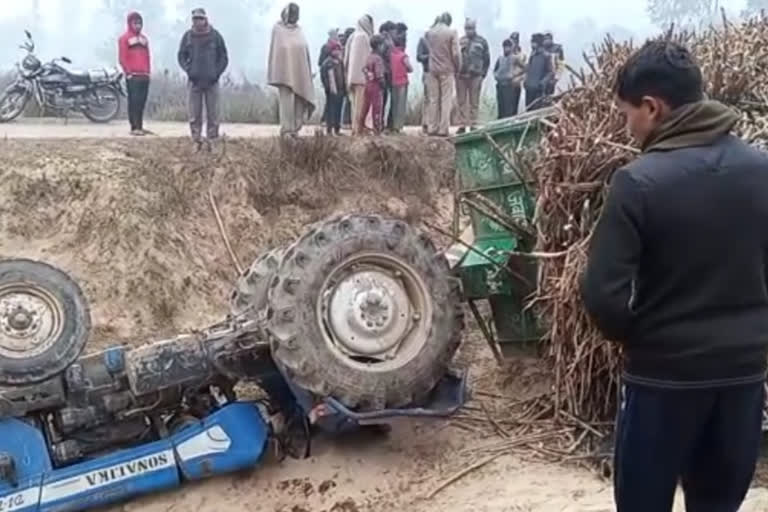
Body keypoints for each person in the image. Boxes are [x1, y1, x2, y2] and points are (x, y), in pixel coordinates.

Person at [581, 40, 768, 512]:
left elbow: (602, 294)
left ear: (653, 107)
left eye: (629, 113)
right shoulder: (761, 170)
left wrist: (642, 338)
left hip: (663, 381)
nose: (629, 126)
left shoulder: (638, 182)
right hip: (743, 376)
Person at [177, 8, 228, 148]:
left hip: (212, 81)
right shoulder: (187, 36)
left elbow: (223, 57)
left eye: (200, 18)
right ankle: (196, 140)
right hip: (194, 81)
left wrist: (217, 73)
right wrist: (188, 70)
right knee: (194, 114)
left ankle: (212, 140)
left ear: (205, 19)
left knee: (214, 114)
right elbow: (181, 56)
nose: (198, 21)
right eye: (195, 19)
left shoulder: (216, 36)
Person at [267, 3, 316, 138]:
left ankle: (295, 128)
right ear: (287, 14)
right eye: (293, 14)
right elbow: (278, 50)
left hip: (299, 74)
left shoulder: (299, 31)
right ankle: (286, 129)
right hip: (284, 73)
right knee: (286, 102)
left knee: (299, 101)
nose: (296, 17)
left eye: (297, 14)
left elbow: (304, 52)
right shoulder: (278, 29)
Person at [425, 13, 461, 137]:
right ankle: (443, 129)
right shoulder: (451, 33)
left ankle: (432, 127)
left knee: (433, 99)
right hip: (447, 69)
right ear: (449, 21)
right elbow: (456, 54)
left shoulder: (430, 32)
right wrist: (458, 67)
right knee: (446, 100)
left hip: (432, 69)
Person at [118, 11, 151, 136]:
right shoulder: (124, 39)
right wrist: (128, 72)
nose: (138, 25)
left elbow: (148, 56)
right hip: (133, 76)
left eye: (140, 23)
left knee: (142, 102)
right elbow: (122, 57)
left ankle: (140, 126)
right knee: (134, 101)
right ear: (130, 23)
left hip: (144, 75)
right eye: (135, 23)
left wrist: (148, 72)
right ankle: (134, 127)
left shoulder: (144, 39)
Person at [456, 18, 490, 134]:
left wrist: (483, 74)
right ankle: (462, 124)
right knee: (461, 101)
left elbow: (486, 59)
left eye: (470, 28)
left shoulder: (482, 42)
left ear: (475, 28)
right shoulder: (460, 41)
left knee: (474, 102)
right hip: (461, 76)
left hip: (475, 76)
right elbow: (456, 57)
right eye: (466, 28)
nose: (468, 31)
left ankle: (473, 124)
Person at [345, 15, 374, 135]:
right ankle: (359, 129)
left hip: (352, 76)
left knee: (355, 105)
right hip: (362, 77)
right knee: (361, 105)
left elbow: (345, 58)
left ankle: (355, 127)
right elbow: (368, 58)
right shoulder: (365, 37)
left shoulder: (352, 36)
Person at [359, 35, 386, 135]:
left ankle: (360, 127)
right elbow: (379, 74)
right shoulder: (378, 59)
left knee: (365, 107)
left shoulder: (369, 57)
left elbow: (364, 69)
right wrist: (383, 84)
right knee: (377, 108)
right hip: (376, 86)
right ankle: (377, 129)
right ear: (379, 46)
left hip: (368, 84)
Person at [494, 36, 526, 118]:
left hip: (510, 86)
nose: (506, 49)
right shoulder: (500, 58)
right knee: (501, 108)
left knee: (509, 109)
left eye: (508, 47)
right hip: (500, 85)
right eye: (505, 47)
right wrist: (496, 75)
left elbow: (525, 69)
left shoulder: (515, 58)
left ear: (511, 48)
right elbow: (495, 69)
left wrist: (515, 76)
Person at [416, 19, 438, 134]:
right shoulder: (423, 41)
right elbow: (419, 57)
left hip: (438, 72)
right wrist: (430, 56)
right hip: (428, 72)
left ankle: (434, 123)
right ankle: (426, 123)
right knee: (428, 99)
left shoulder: (438, 41)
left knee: (436, 99)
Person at [320, 40, 345, 135]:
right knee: (331, 110)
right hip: (331, 91)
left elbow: (343, 75)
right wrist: (328, 88)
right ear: (331, 51)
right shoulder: (327, 63)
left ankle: (337, 129)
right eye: (335, 49)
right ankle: (329, 129)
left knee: (338, 110)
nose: (338, 52)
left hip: (340, 90)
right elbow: (325, 77)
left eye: (339, 49)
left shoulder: (340, 62)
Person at [389, 37, 413, 134]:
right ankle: (399, 127)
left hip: (393, 82)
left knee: (394, 105)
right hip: (402, 82)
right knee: (401, 105)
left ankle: (394, 126)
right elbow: (410, 68)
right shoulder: (403, 56)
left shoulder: (391, 55)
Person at [523, 33, 552, 111]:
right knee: (528, 110)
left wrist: (542, 83)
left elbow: (550, 72)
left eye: (533, 42)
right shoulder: (532, 55)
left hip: (538, 90)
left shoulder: (546, 56)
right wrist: (525, 80)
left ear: (538, 43)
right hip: (529, 88)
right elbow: (528, 69)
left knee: (536, 110)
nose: (531, 44)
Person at [318, 28, 339, 125]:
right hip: (328, 76)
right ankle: (326, 120)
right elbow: (321, 62)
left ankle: (328, 120)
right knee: (330, 99)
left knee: (331, 100)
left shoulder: (335, 46)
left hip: (333, 77)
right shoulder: (327, 47)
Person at [378, 21, 396, 132]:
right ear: (388, 31)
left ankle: (381, 123)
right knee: (382, 99)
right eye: (393, 30)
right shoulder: (384, 41)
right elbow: (383, 55)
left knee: (383, 99)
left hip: (387, 72)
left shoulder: (386, 40)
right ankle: (380, 123)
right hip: (384, 73)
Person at [340, 27, 356, 128]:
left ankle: (347, 121)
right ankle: (346, 121)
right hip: (345, 76)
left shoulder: (345, 48)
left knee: (348, 99)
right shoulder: (345, 49)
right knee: (348, 100)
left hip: (345, 76)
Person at [543, 31, 564, 96]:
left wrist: (556, 78)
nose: (546, 41)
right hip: (541, 78)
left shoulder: (557, 49)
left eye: (548, 39)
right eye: (545, 39)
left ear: (551, 40)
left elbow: (561, 65)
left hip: (551, 78)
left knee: (549, 97)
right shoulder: (541, 49)